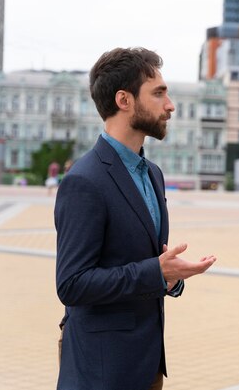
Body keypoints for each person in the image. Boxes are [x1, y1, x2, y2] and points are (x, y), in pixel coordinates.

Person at [55, 47, 217, 390]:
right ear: (124, 100)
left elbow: (143, 263)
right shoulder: (84, 181)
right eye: (158, 93)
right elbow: (71, 284)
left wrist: (169, 278)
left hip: (147, 364)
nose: (170, 105)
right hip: (102, 369)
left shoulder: (152, 174)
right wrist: (155, 271)